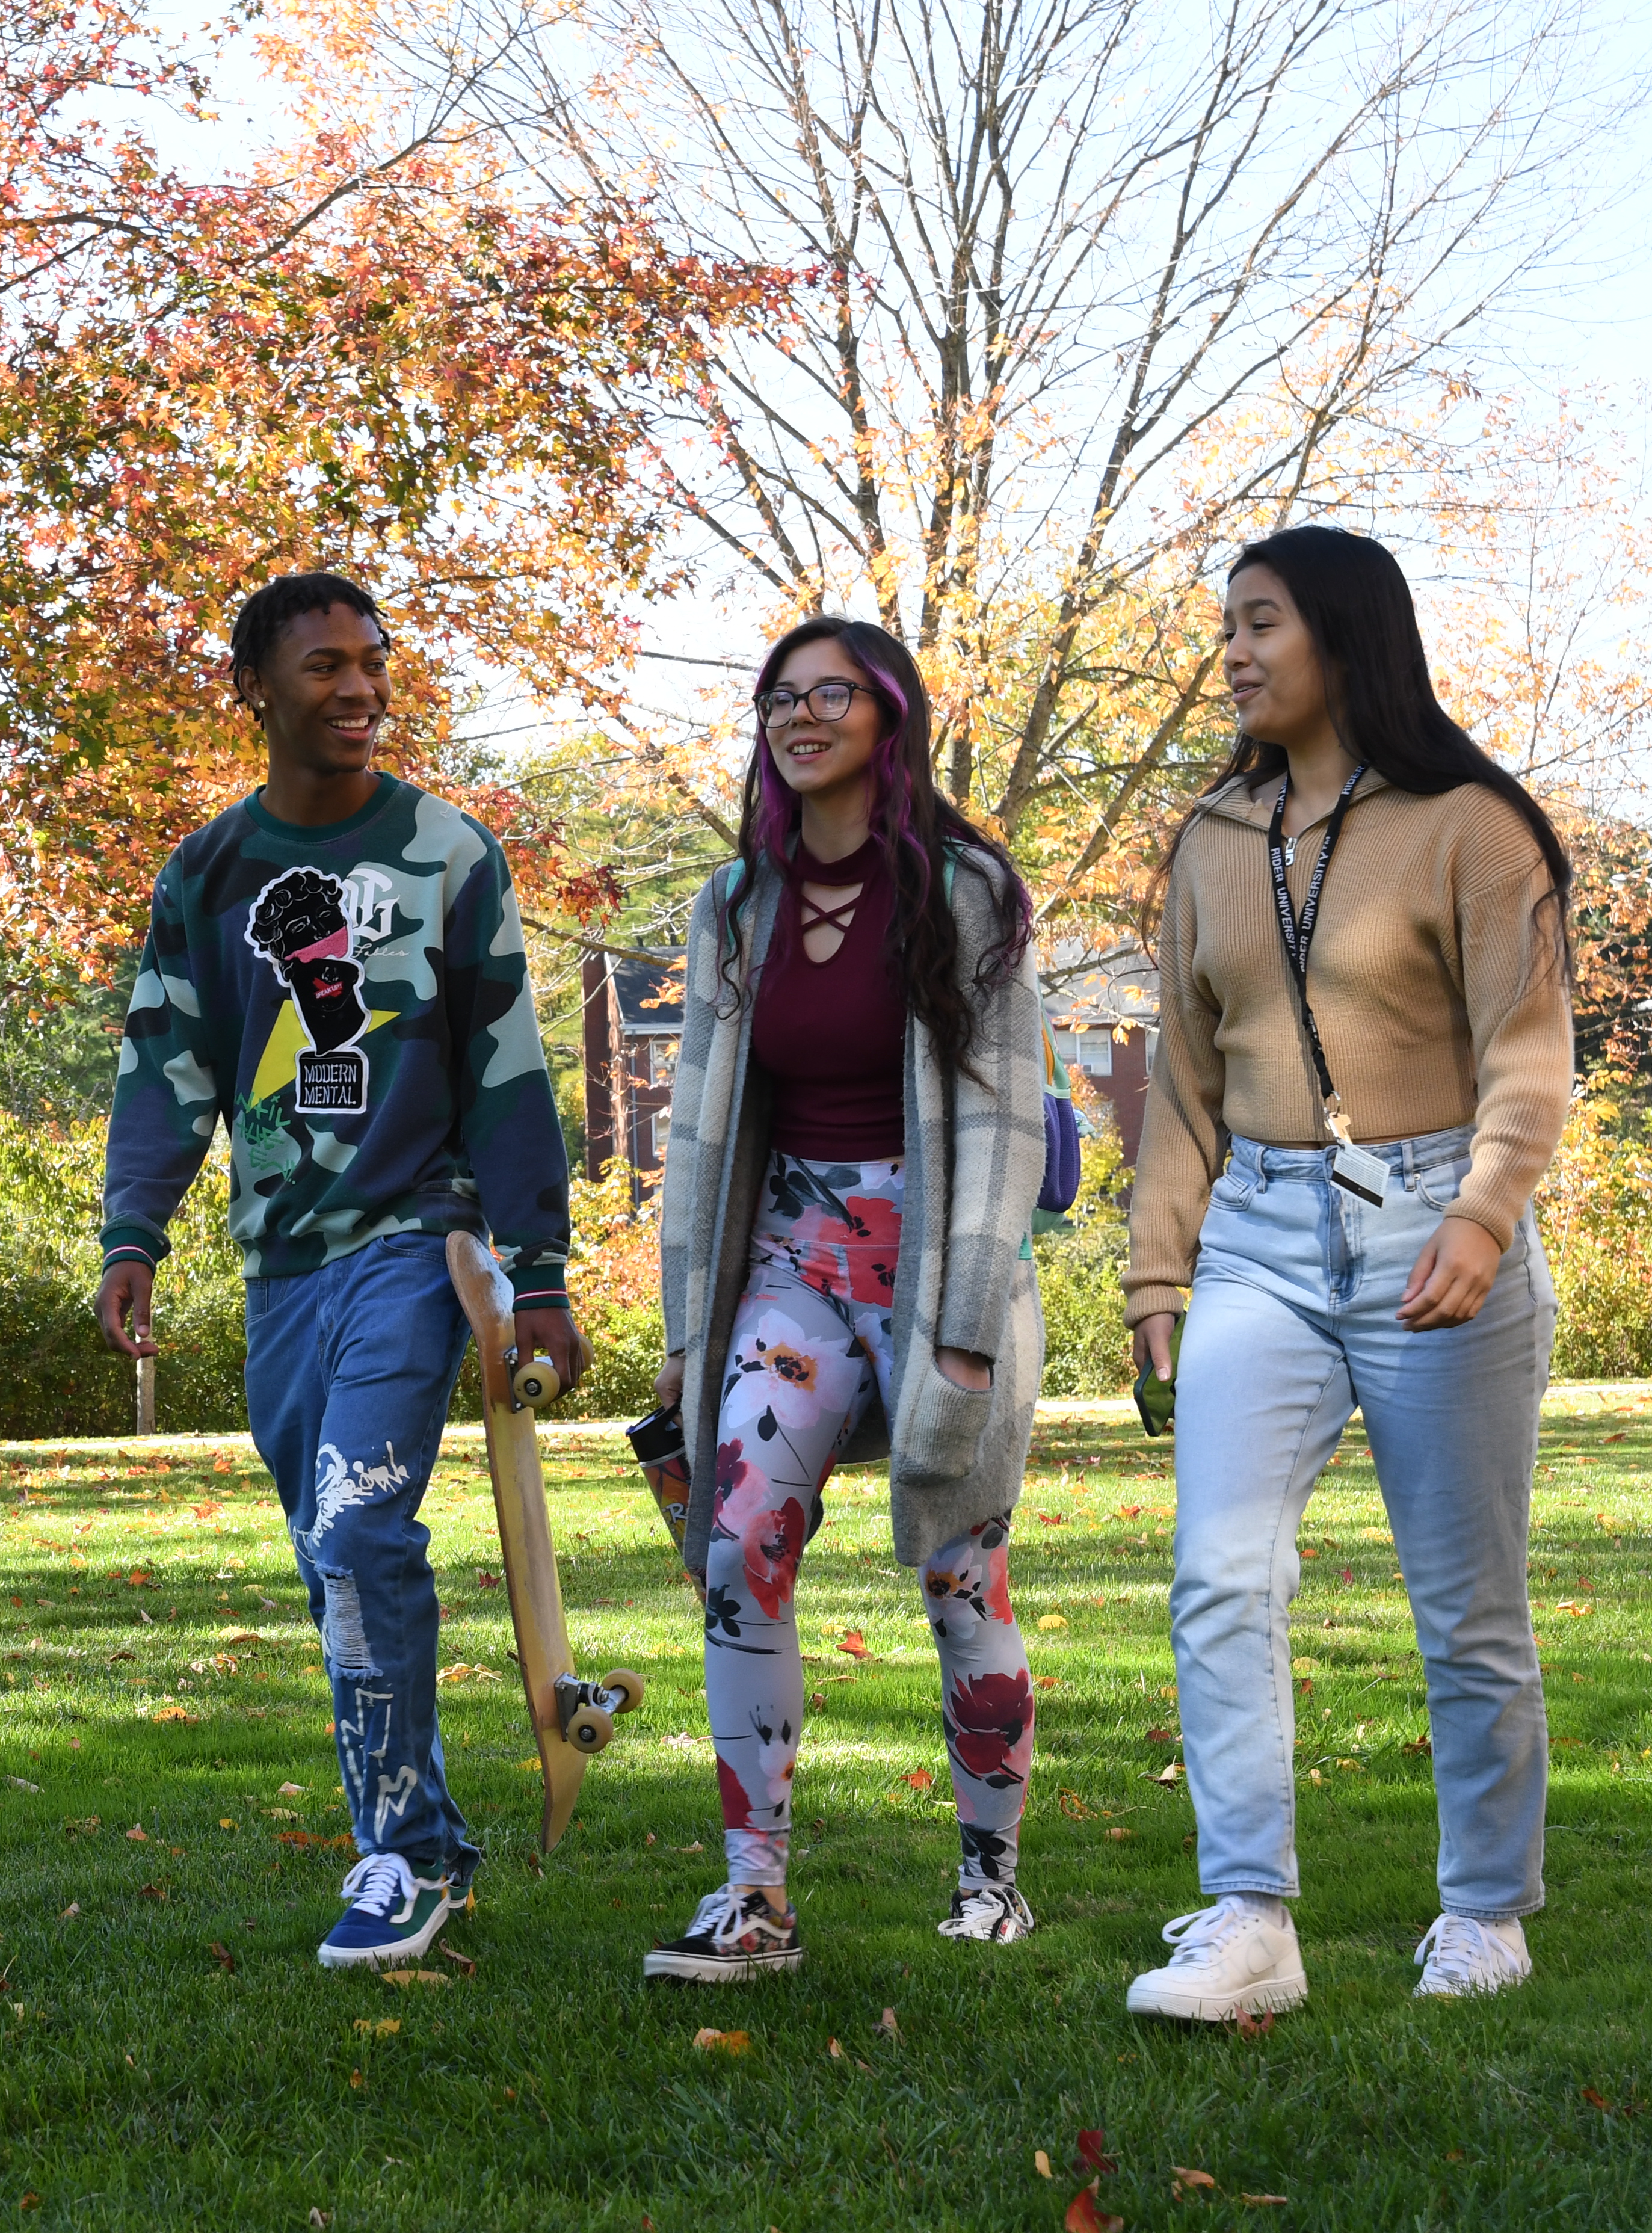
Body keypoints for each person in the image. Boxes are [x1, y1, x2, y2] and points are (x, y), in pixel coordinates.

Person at [95, 571, 585, 1973]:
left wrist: (537, 1271)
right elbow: (165, 1062)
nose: (360, 686)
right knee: (333, 1558)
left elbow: (507, 1071)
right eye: (323, 666)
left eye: (373, 661)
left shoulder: (446, 852)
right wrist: (135, 1232)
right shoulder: (208, 871)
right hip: (282, 1266)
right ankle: (424, 1830)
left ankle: (404, 1857)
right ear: (254, 688)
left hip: (418, 1244)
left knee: (362, 1530)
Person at [1120, 524, 1575, 2022]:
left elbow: (1527, 1050)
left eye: (1261, 623)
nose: (1235, 652)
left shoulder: (1470, 826)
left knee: (1468, 1605)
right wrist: (1157, 1282)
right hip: (1254, 1225)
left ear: (1345, 636)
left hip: (1433, 1218)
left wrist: (1486, 1211)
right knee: (1218, 1571)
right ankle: (1251, 1915)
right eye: (1228, 627)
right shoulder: (1210, 838)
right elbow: (1183, 1084)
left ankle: (1487, 1906)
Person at [643, 615, 1049, 1983]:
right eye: (780, 697)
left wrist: (971, 1328)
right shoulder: (732, 905)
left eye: (832, 694)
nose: (800, 716)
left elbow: (1000, 1123)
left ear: (889, 715)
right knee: (736, 1548)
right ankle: (753, 1893)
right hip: (789, 1262)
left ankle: (992, 1880)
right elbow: (699, 1130)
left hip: (944, 1262)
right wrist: (684, 1342)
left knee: (958, 1574)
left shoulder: (967, 887)